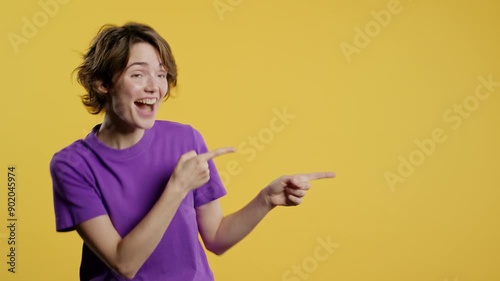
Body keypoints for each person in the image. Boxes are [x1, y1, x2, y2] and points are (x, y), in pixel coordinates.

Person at [50, 22, 335, 281]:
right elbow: (124, 264)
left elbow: (216, 238)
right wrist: (177, 188)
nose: (155, 87)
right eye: (138, 74)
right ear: (103, 84)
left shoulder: (185, 139)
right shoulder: (72, 165)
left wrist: (266, 200)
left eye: (161, 74)